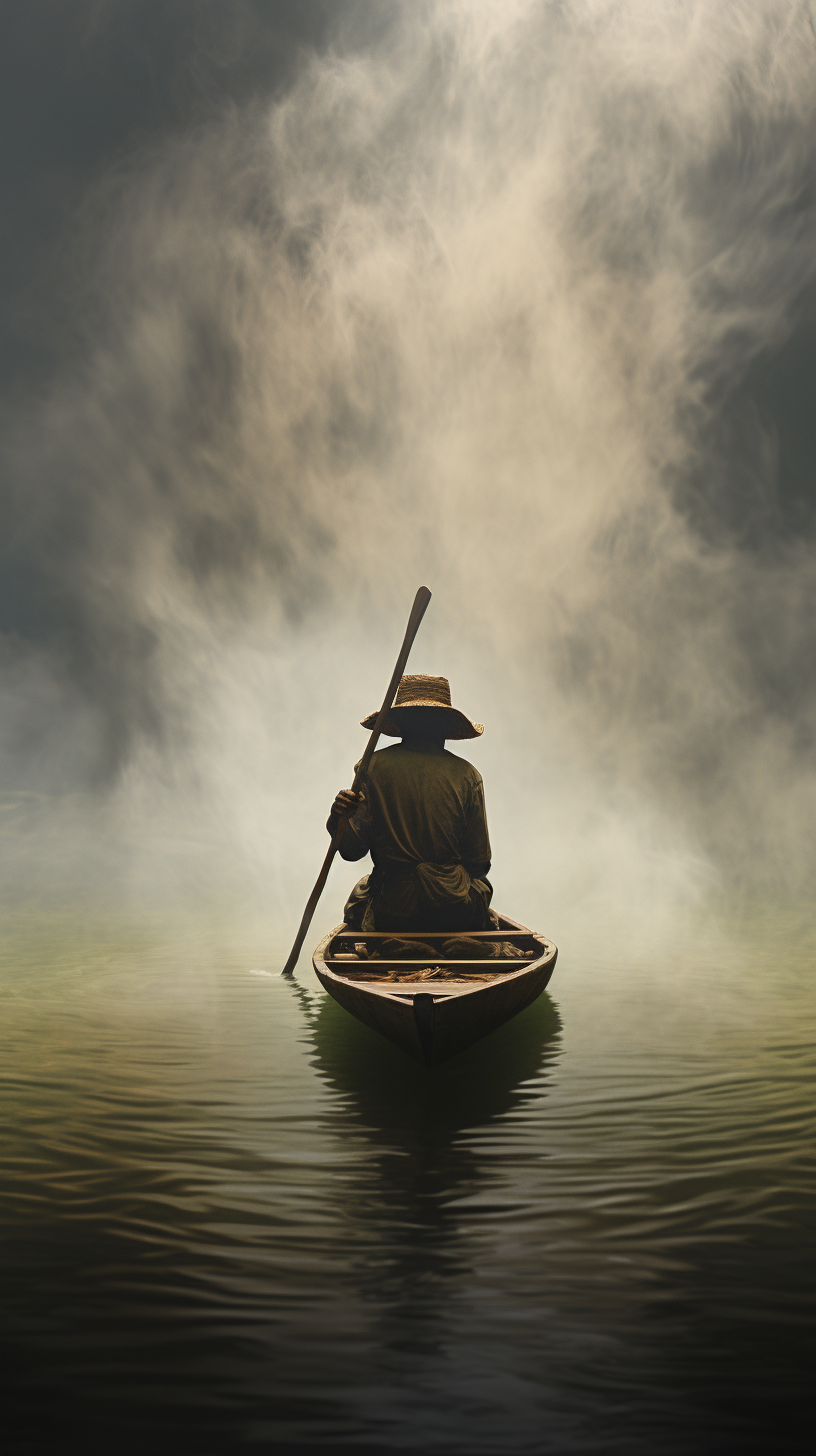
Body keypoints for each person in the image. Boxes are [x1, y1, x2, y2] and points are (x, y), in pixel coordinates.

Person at [326, 674, 493, 933]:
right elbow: (479, 863)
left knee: (361, 894)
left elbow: (351, 850)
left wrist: (339, 817)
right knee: (480, 888)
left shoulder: (370, 767)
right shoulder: (468, 775)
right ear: (445, 727)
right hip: (451, 910)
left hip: (392, 909)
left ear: (401, 724)